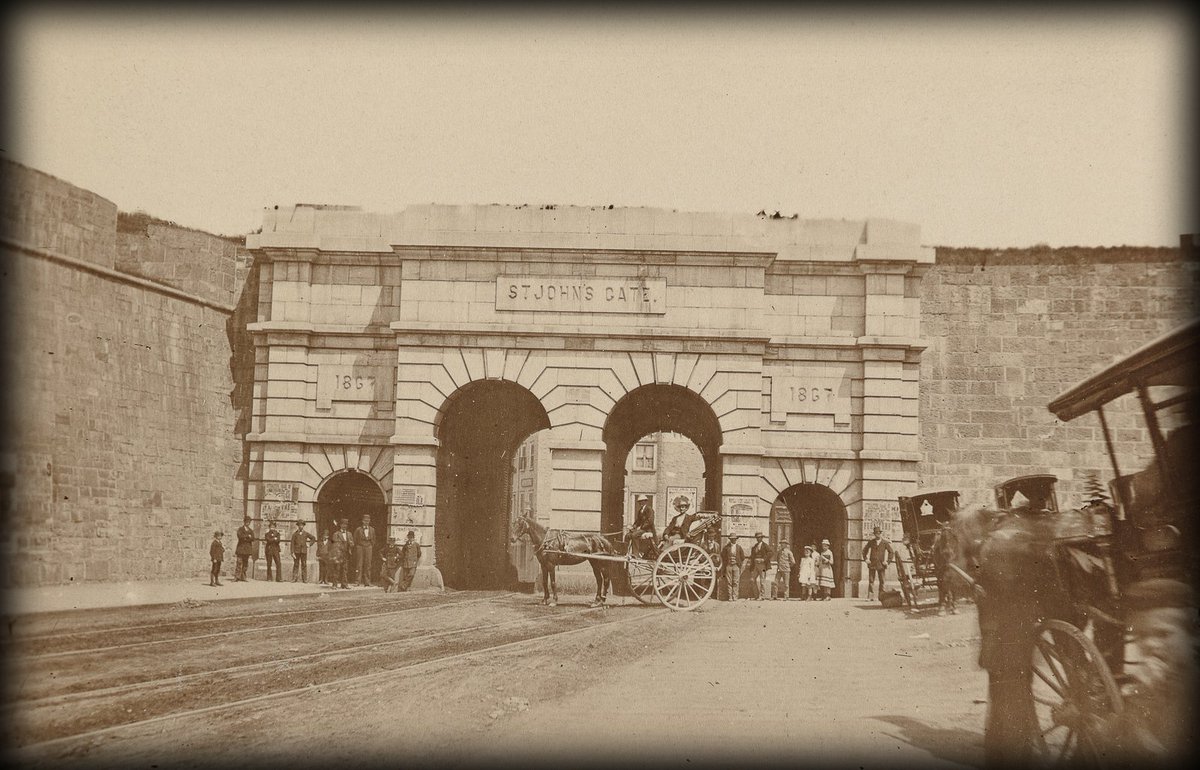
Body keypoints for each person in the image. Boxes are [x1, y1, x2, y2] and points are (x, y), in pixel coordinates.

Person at [1109, 578, 1197, 761]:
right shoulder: (1156, 681)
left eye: (1163, 634)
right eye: (1141, 636)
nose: (1150, 644)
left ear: (1193, 635)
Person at [862, 526, 892, 600]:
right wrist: (866, 559)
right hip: (872, 564)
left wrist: (887, 562)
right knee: (871, 580)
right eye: (876, 533)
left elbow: (891, 552)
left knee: (882, 580)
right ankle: (870, 596)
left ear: (880, 533)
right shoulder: (871, 542)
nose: (877, 534)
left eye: (878, 533)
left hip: (881, 564)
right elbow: (864, 551)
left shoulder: (885, 543)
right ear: (874, 534)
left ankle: (881, 596)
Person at [893, 533, 918, 613]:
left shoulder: (911, 546)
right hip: (907, 568)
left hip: (911, 567)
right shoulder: (902, 548)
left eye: (908, 539)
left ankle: (914, 598)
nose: (907, 541)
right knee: (906, 585)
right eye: (905, 539)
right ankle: (910, 600)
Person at [720, 534, 746, 601]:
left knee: (736, 581)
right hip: (728, 566)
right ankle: (730, 597)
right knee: (729, 581)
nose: (733, 540)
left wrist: (738, 563)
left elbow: (743, 557)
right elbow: (723, 555)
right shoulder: (726, 547)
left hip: (736, 566)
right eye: (731, 539)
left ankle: (735, 596)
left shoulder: (739, 547)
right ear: (730, 539)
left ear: (736, 539)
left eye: (734, 539)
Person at [353, 515, 377, 587]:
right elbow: (355, 539)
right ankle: (357, 581)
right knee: (359, 564)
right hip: (360, 547)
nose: (366, 522)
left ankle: (367, 581)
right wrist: (359, 546)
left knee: (368, 565)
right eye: (365, 521)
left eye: (368, 521)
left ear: (369, 521)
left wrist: (370, 545)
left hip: (369, 547)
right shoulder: (358, 529)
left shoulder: (372, 529)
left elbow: (374, 539)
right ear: (362, 521)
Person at [330, 518, 352, 589]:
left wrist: (351, 544)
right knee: (337, 569)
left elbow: (352, 543)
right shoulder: (336, 534)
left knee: (345, 569)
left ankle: (344, 584)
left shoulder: (349, 534)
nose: (344, 526)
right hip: (338, 554)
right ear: (340, 525)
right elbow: (334, 545)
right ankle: (335, 584)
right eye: (343, 524)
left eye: (346, 524)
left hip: (346, 554)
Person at [749, 532, 772, 600]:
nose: (758, 538)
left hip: (762, 565)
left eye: (760, 537)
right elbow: (752, 556)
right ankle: (756, 595)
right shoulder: (755, 546)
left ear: (762, 538)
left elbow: (771, 553)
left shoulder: (765, 545)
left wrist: (763, 559)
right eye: (757, 537)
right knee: (752, 579)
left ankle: (762, 596)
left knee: (762, 580)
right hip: (755, 565)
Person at [234, 516, 254, 581]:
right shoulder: (240, 529)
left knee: (245, 563)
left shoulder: (251, 530)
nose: (247, 523)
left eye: (249, 522)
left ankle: (243, 576)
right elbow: (240, 536)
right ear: (244, 522)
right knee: (239, 562)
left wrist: (246, 538)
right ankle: (237, 576)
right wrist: (247, 536)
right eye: (246, 522)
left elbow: (253, 538)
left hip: (247, 549)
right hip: (241, 548)